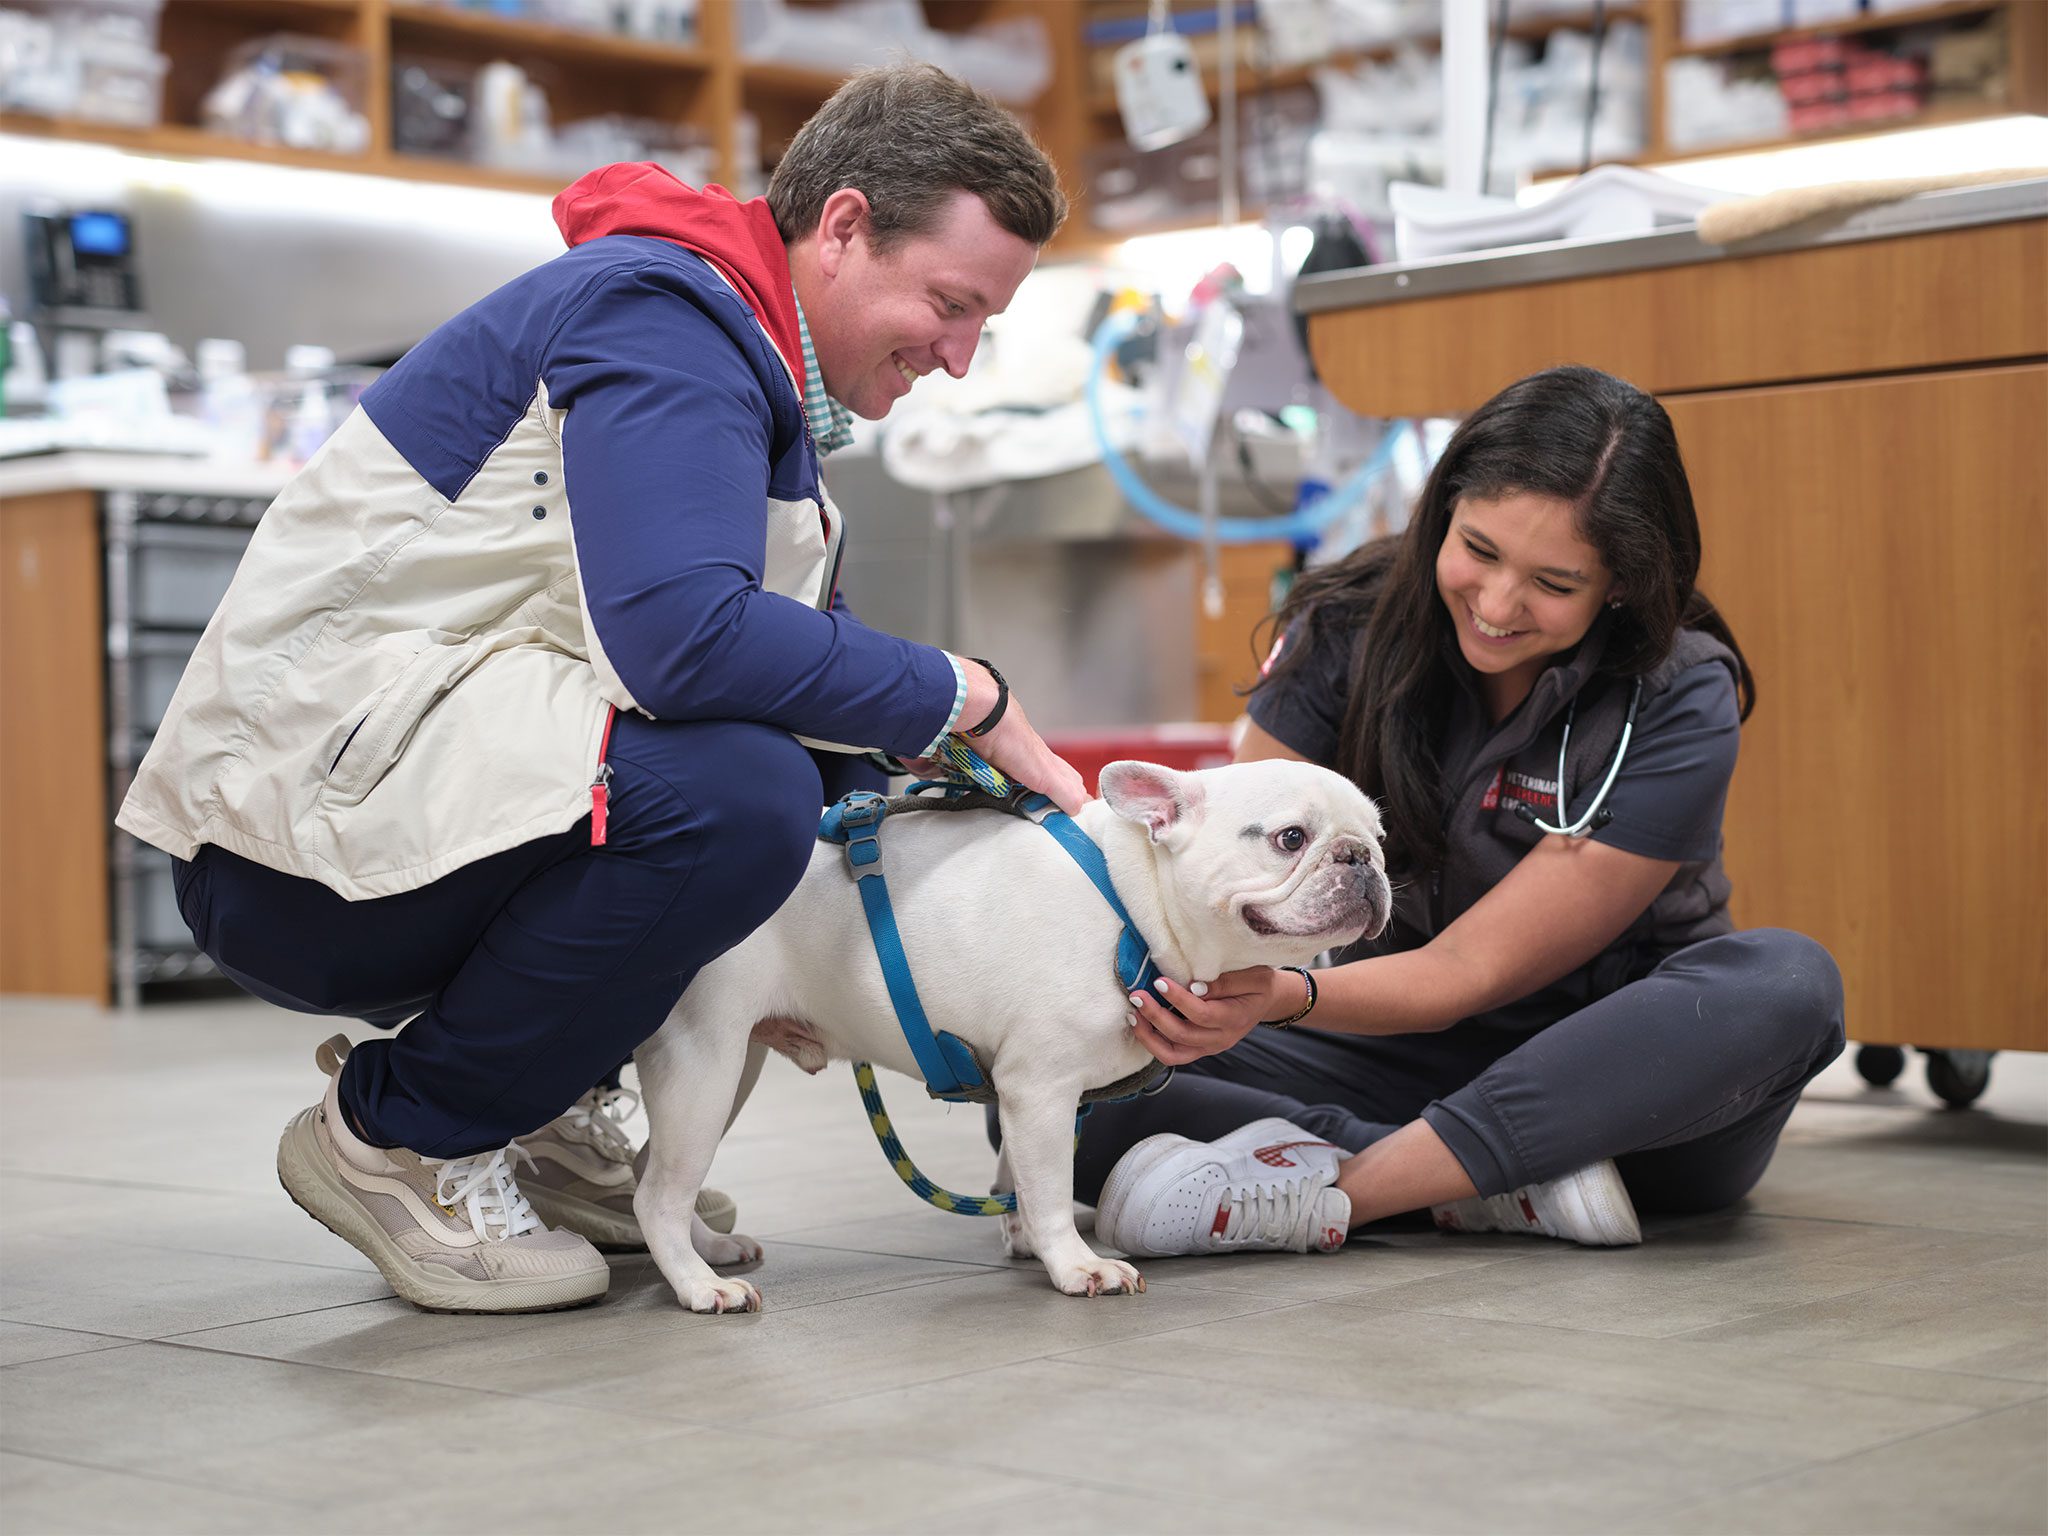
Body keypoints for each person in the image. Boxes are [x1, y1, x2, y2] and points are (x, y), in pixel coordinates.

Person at [118, 64, 1086, 1314]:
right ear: (843, 228)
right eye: (949, 305)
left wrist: (916, 795)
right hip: (291, 853)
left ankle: (543, 1112)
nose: (956, 359)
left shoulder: (730, 352)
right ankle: (398, 1138)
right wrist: (965, 696)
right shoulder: (665, 321)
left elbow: (783, 679)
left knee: (774, 784)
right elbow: (681, 642)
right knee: (734, 801)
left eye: (980, 327)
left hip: (379, 800)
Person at [1080, 365, 1846, 1259]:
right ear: (1443, 508)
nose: (1495, 605)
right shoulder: (1344, 626)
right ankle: (1490, 1182)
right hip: (1375, 1042)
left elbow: (1469, 971)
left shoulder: (1678, 694)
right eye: (1478, 551)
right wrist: (1214, 1002)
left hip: (1614, 1075)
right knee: (1081, 1085)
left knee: (1790, 983)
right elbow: (1236, 877)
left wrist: (1284, 995)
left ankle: (1346, 1189)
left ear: (1623, 585)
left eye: (1554, 583)